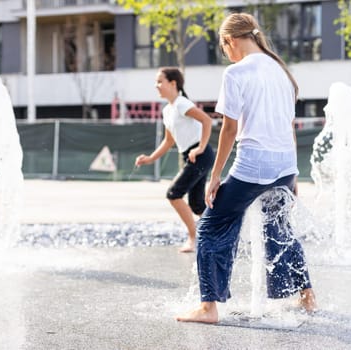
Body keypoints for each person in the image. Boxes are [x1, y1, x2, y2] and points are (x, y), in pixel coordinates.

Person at [176, 13, 316, 324]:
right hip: (284, 165)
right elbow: (288, 126)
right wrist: (293, 174)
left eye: (223, 46)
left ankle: (208, 307)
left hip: (255, 165)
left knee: (212, 226)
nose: (225, 53)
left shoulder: (236, 72)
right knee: (279, 228)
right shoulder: (280, 70)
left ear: (230, 41)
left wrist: (214, 177)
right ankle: (306, 295)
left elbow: (229, 129)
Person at [135, 67, 214, 253]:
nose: (157, 86)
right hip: (191, 155)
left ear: (173, 83)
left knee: (174, 194)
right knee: (197, 205)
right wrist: (150, 158)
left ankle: (194, 237)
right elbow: (169, 140)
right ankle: (220, 232)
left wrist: (200, 147)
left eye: (160, 81)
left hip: (200, 155)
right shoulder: (167, 110)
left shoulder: (181, 103)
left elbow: (206, 120)